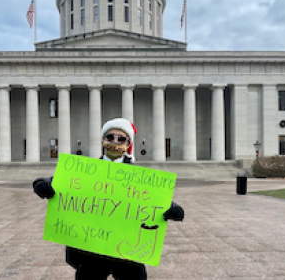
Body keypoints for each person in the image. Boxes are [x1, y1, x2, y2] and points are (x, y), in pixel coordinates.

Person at [33, 118, 184, 280]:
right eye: (110, 137)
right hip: (91, 251)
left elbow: (153, 200)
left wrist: (174, 209)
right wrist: (41, 184)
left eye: (121, 138)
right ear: (103, 140)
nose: (115, 142)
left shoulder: (140, 178)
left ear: (128, 144)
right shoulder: (85, 170)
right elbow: (61, 182)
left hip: (128, 254)